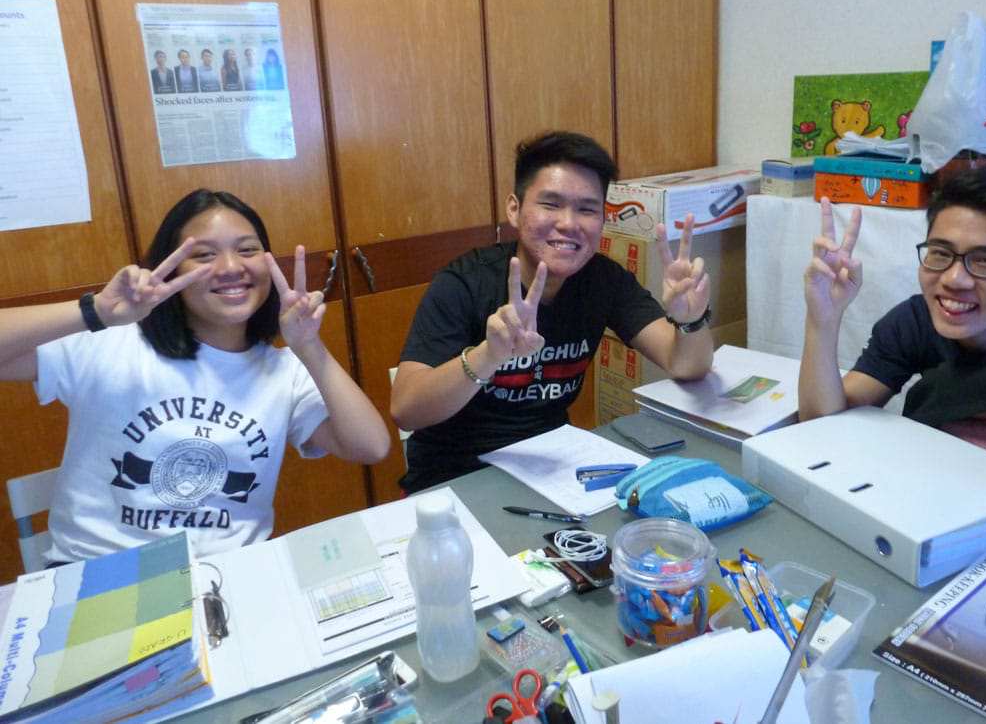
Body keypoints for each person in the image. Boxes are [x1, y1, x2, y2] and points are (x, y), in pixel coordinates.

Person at [0, 190, 390, 563]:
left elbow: (370, 447)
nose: (231, 268)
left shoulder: (282, 370)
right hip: (103, 571)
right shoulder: (110, 344)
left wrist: (309, 348)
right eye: (204, 255)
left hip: (229, 573)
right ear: (169, 270)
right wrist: (94, 313)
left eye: (247, 249)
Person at [391, 131, 715, 492]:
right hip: (455, 477)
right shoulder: (464, 283)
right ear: (514, 209)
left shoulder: (603, 280)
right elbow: (407, 409)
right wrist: (488, 355)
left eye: (587, 209)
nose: (569, 223)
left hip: (552, 472)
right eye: (550, 204)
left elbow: (685, 364)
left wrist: (690, 319)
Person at [799, 166, 986, 500]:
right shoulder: (914, 321)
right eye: (940, 253)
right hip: (942, 495)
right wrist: (823, 318)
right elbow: (822, 424)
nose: (954, 279)